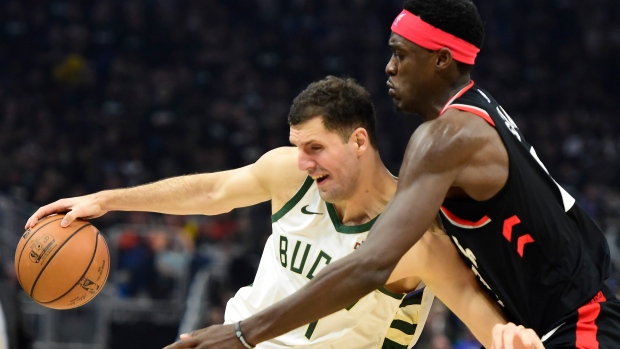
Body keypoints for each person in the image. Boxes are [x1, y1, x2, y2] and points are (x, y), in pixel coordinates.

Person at [156, 0, 620, 349]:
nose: (389, 67)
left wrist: (242, 333)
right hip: (562, 321)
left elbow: (371, 266)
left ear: (441, 59)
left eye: (401, 54)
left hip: (579, 326)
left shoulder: (445, 137)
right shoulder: (475, 117)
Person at [25, 76, 511, 348]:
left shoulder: (411, 231)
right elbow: (214, 192)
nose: (303, 161)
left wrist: (510, 338)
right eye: (298, 146)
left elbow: (468, 299)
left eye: (316, 147)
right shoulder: (292, 174)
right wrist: (106, 200)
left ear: (359, 141)